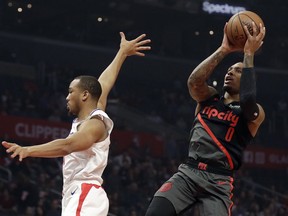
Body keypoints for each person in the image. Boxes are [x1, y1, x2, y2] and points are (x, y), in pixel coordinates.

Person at [2, 32, 151, 216]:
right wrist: (122, 53)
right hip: (79, 194)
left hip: (84, 192)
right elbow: (103, 82)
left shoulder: (95, 124)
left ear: (84, 95)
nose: (67, 96)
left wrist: (28, 150)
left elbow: (67, 145)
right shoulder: (94, 111)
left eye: (71, 91)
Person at [145, 21, 266, 216]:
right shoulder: (209, 98)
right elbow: (194, 81)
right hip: (188, 172)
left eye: (238, 70)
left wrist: (248, 54)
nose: (230, 72)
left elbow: (249, 99)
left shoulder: (254, 112)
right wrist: (224, 49)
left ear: (249, 80)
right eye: (229, 70)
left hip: (218, 181)